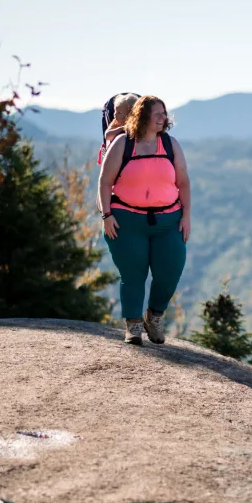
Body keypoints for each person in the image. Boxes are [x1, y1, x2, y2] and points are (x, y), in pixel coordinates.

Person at [97, 94, 191, 345]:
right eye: (158, 113)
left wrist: (187, 216)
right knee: (133, 274)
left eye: (164, 113)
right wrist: (106, 215)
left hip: (168, 220)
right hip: (127, 221)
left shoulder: (170, 145)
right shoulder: (122, 144)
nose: (164, 118)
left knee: (170, 270)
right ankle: (133, 324)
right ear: (143, 116)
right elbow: (105, 182)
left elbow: (183, 182)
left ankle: (154, 316)